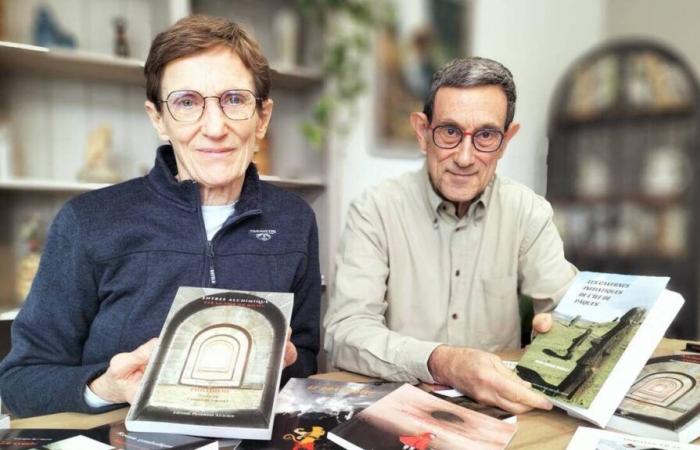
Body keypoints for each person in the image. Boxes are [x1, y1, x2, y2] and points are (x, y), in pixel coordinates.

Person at [0, 15, 320, 418]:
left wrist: (287, 361)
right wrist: (106, 386)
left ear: (263, 117)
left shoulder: (296, 219)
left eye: (234, 100)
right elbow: (20, 380)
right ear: (158, 119)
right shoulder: (87, 221)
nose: (215, 127)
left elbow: (307, 357)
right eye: (187, 103)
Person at [324, 56, 577, 414]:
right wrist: (442, 361)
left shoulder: (528, 212)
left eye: (486, 135)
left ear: (506, 141)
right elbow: (345, 334)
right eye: (450, 131)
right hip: (399, 408)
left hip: (497, 411)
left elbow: (569, 314)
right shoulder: (374, 210)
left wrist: (559, 331)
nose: (464, 157)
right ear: (422, 131)